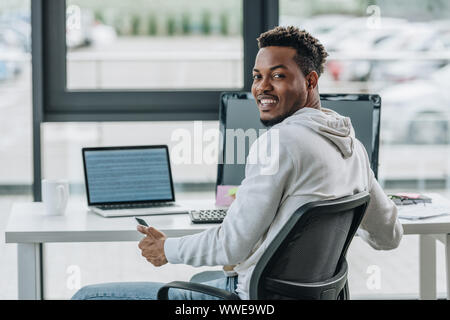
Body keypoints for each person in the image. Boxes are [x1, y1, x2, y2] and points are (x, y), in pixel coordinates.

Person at [72, 26, 403, 300]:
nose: (262, 88)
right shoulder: (353, 148)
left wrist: (167, 249)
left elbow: (231, 245)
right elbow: (389, 236)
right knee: (208, 273)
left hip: (250, 301)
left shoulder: (280, 142)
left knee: (87, 296)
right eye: (257, 76)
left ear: (311, 81)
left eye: (278, 76)